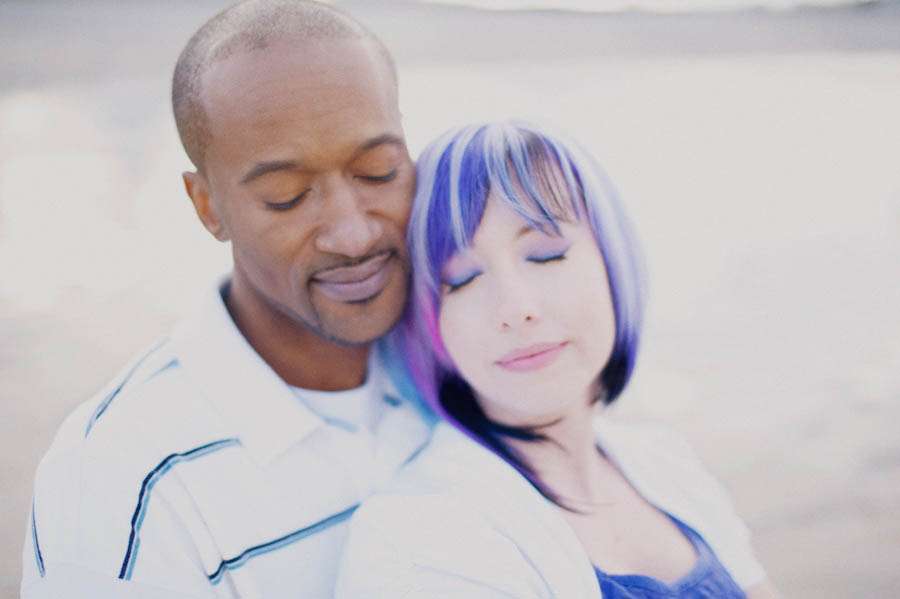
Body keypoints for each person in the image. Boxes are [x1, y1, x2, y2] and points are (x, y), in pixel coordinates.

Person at [20, 1, 432, 598]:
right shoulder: (122, 481)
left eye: (379, 170)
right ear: (208, 207)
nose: (353, 234)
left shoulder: (471, 363)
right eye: (287, 196)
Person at [336, 121, 780, 598]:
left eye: (547, 255)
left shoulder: (666, 462)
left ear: (612, 259)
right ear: (427, 321)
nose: (516, 308)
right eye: (462, 277)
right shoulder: (420, 538)